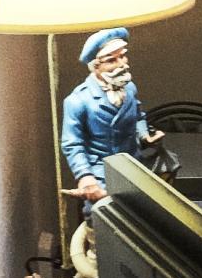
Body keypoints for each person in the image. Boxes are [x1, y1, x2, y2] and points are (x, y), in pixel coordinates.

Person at [62, 27, 160, 205]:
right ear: (95, 66)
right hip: (102, 172)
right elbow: (72, 144)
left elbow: (138, 116)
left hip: (134, 165)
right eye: (112, 60)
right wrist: (85, 176)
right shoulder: (78, 101)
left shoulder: (129, 89)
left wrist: (145, 136)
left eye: (122, 56)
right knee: (103, 217)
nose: (122, 64)